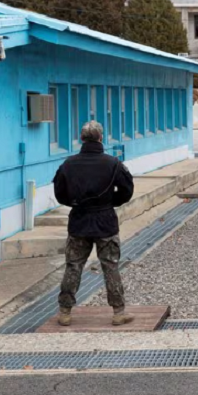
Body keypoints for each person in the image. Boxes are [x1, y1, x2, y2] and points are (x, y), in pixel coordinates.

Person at [53, 121, 135, 326]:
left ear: (82, 139)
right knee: (110, 266)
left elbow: (60, 194)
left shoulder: (68, 164)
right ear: (101, 138)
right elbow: (127, 191)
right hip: (105, 221)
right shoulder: (113, 163)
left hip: (79, 221)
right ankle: (118, 312)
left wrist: (75, 204)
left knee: (73, 266)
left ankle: (65, 312)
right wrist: (110, 203)